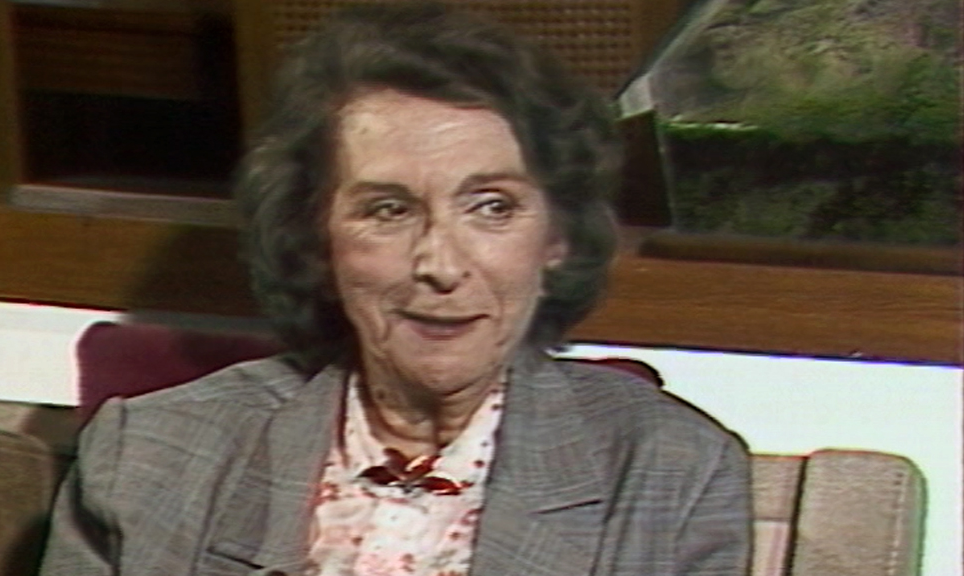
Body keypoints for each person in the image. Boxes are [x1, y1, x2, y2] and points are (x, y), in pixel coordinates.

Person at [40, 3, 751, 575]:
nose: (440, 265)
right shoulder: (146, 456)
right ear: (316, 239)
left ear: (555, 238)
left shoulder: (670, 473)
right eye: (388, 210)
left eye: (492, 207)